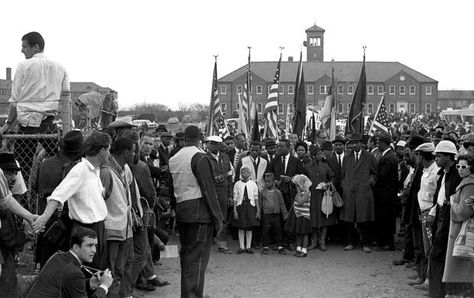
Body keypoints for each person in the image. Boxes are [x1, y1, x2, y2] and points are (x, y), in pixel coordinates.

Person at [32, 131, 112, 270]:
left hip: (97, 228)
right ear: (102, 151)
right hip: (85, 230)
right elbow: (58, 194)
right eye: (109, 150)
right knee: (88, 274)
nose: (110, 154)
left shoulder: (95, 170)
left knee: (98, 270)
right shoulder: (80, 170)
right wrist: (45, 217)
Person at [0, 32, 70, 182]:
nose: (22, 50)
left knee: (21, 168)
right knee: (59, 161)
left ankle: (25, 198)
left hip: (27, 125)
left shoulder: (23, 66)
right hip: (48, 123)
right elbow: (66, 96)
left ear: (36, 47)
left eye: (25, 46)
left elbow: (15, 99)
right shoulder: (60, 67)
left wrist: (8, 123)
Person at [169, 125, 223, 298]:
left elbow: (171, 189)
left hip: (182, 211)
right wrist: (218, 217)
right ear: (200, 137)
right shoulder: (200, 157)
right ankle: (192, 295)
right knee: (198, 260)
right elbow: (208, 188)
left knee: (187, 257)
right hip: (200, 213)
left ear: (184, 138)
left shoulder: (174, 157)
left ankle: (189, 293)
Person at [35, 130, 84, 268]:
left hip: (46, 218)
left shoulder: (45, 164)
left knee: (47, 263)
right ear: (78, 152)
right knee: (64, 264)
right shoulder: (75, 169)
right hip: (65, 223)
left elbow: (35, 188)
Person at [26, 227, 113, 298]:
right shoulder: (74, 272)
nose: (94, 250)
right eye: (89, 245)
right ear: (76, 248)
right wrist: (104, 286)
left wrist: (90, 283)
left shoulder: (58, 256)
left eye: (95, 246)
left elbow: (68, 286)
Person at [100, 137, 136, 297]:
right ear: (126, 152)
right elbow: (99, 199)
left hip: (123, 228)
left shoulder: (123, 169)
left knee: (120, 269)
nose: (135, 154)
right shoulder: (107, 172)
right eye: (133, 151)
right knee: (111, 271)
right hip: (112, 230)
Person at [0, 153, 38, 298]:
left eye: (16, 173)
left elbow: (7, 200)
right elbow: (8, 238)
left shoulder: (6, 199)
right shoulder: (3, 209)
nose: (14, 177)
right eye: (9, 173)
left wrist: (28, 218)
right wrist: (26, 237)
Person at [426, 140, 462, 298]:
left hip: (449, 219)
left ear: (448, 157)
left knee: (439, 255)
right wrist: (434, 211)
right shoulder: (443, 174)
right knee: (436, 254)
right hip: (440, 214)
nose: (436, 160)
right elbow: (439, 197)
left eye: (439, 156)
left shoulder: (456, 175)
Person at [442, 153, 474, 297]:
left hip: (461, 234)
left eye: (464, 166)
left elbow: (463, 212)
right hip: (460, 234)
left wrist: (452, 203)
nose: (460, 169)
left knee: (458, 283)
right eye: (458, 166)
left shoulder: (469, 184)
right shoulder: (467, 182)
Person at [339, 133, 377, 253]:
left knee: (364, 219)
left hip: (363, 192)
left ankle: (365, 243)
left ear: (362, 143)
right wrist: (345, 186)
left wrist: (370, 182)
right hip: (349, 192)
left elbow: (375, 173)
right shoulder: (347, 157)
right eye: (353, 143)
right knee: (349, 219)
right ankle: (350, 242)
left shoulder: (369, 156)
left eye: (357, 142)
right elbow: (343, 174)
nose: (355, 145)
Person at [206, 136, 233, 253]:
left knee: (222, 219)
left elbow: (230, 177)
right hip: (210, 191)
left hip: (223, 192)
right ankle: (207, 242)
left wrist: (230, 195)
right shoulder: (204, 158)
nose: (213, 146)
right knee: (208, 217)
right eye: (211, 144)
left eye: (216, 144)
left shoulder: (225, 157)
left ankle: (222, 245)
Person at [305, 151, 336, 251]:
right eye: (318, 154)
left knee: (324, 218)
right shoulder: (307, 166)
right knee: (313, 219)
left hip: (324, 196)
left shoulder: (325, 166)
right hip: (312, 196)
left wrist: (328, 184)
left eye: (321, 154)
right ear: (313, 156)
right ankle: (314, 241)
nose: (321, 156)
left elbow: (332, 178)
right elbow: (303, 180)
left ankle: (322, 241)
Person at [373, 133, 399, 251]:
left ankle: (388, 242)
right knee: (383, 218)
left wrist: (373, 175)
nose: (377, 145)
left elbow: (383, 175)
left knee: (386, 218)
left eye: (379, 142)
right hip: (385, 193)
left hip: (386, 194)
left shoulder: (389, 157)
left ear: (384, 143)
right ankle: (383, 240)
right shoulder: (387, 155)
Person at [232, 166, 260, 254]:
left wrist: (258, 210)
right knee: (241, 226)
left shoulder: (253, 184)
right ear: (241, 174)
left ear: (250, 174)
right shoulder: (237, 184)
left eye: (247, 172)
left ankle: (248, 246)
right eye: (243, 172)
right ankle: (241, 247)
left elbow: (256, 198)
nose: (245, 174)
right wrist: (235, 211)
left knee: (249, 227)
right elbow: (235, 199)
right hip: (241, 206)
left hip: (251, 206)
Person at [259, 173, 288, 255]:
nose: (267, 183)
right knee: (265, 230)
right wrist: (258, 213)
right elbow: (260, 203)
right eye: (266, 182)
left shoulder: (278, 192)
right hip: (266, 215)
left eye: (269, 182)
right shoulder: (262, 192)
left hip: (276, 215)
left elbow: (282, 204)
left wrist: (285, 214)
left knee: (278, 230)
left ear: (273, 182)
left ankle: (280, 246)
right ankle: (265, 246)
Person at [284, 174, 312, 257]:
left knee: (305, 233)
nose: (296, 187)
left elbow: (300, 202)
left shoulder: (307, 192)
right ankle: (298, 248)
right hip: (297, 214)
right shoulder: (299, 192)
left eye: (297, 185)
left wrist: (298, 193)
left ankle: (304, 250)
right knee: (298, 233)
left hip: (304, 215)